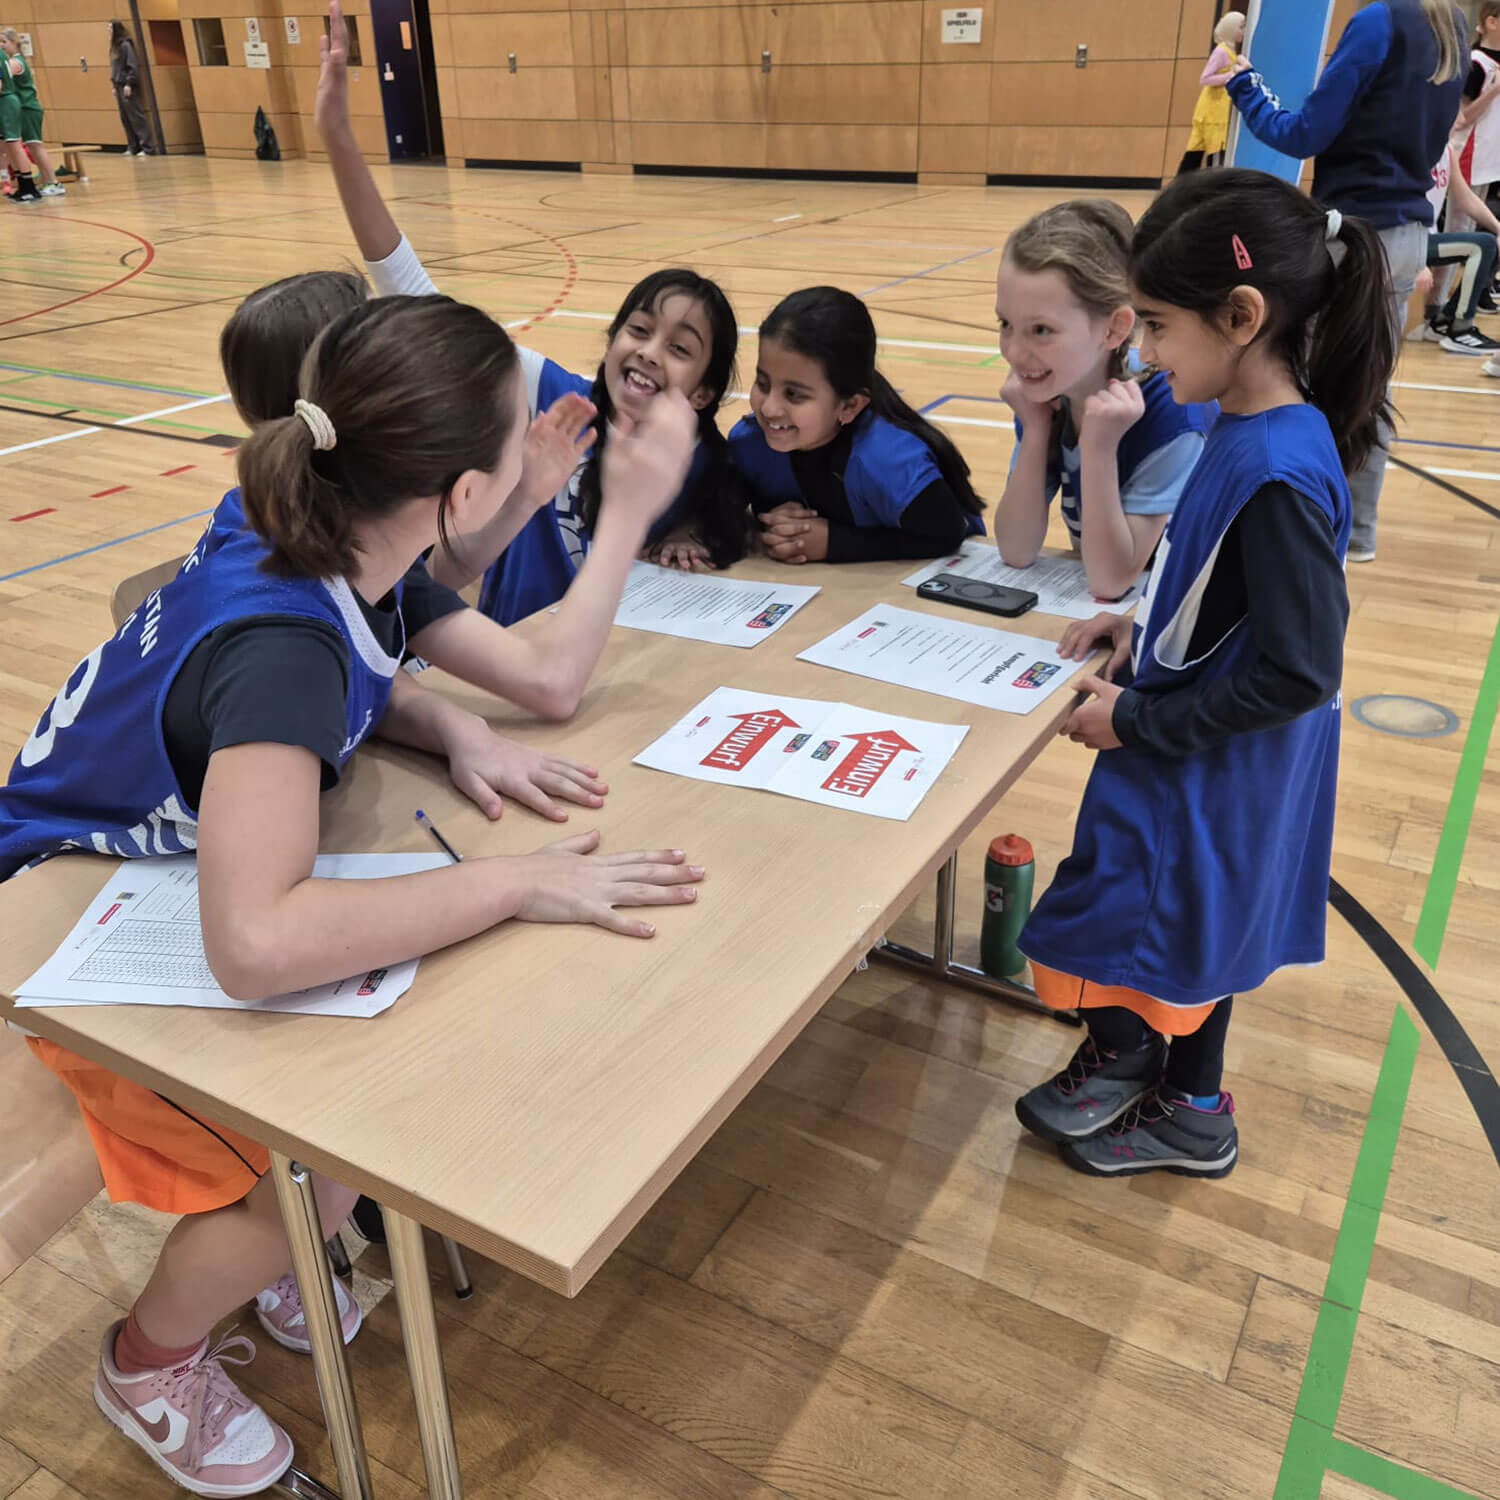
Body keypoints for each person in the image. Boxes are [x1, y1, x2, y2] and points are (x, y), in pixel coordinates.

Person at [0, 294, 705, 1494]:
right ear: (461, 494)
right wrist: (506, 885)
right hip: (58, 913)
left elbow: (388, 641)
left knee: (354, 1100)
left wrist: (438, 717)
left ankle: (266, 1264)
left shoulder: (306, 517)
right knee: (322, 1157)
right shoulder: (284, 649)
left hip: (104, 865)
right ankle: (148, 1362)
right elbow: (257, 941)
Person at [1012, 169, 1390, 1179]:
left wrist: (1139, 723)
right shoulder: (1247, 423)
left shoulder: (1277, 466)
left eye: (1161, 328)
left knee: (1162, 923)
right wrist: (1148, 634)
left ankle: (1160, 1084)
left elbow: (1299, 669)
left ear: (1242, 316)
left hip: (1216, 764)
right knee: (1187, 931)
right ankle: (1164, 1084)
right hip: (1201, 737)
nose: (1143, 351)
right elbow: (1229, 596)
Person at [312, 4, 744, 611]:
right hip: (510, 655)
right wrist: (337, 138)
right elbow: (410, 290)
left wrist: (696, 531)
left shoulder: (706, 465)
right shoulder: (549, 398)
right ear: (613, 339)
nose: (648, 352)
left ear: (703, 393)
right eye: (638, 330)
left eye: (678, 348)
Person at [1226, 0, 1466, 563]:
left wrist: (1244, 84)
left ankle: (1297, 528)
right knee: (1369, 389)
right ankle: (1357, 531)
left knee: (1298, 382)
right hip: (1407, 236)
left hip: (1353, 240)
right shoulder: (1449, 22)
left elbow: (1304, 132)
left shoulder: (1380, 20)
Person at [993, 200, 1215, 601]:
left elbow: (1111, 581)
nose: (1013, 352)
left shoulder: (1172, 410)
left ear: (1114, 329)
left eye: (1040, 330)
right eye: (1005, 324)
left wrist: (1097, 447)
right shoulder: (1047, 391)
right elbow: (1015, 549)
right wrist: (1036, 430)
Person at [729, 285, 985, 565]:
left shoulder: (887, 459)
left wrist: (833, 544)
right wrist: (764, 528)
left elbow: (947, 534)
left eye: (794, 395)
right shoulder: (749, 443)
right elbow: (720, 513)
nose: (768, 408)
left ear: (849, 406)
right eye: (763, 384)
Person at [1409, 134, 1500, 352]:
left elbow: (1464, 197)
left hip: (1427, 238)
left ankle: (1444, 321)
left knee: (1491, 242)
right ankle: (1461, 330)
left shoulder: (1445, 151)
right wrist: (1417, 262)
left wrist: (1499, 228)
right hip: (1405, 239)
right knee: (1483, 245)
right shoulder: (1410, 148)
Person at [1177, 10, 1246, 175]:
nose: (1243, 31)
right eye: (1241, 27)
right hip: (1211, 113)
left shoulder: (1232, 51)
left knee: (1198, 156)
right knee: (1211, 158)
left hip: (1220, 113)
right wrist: (1232, 75)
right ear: (1231, 28)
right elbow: (1205, 79)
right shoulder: (1221, 51)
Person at [0, 30, 59, 195]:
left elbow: (4, 76)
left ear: (15, 43)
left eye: (4, 41)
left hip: (27, 108)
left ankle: (53, 182)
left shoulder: (15, 62)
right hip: (21, 108)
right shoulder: (12, 61)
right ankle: (45, 181)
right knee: (31, 147)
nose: (2, 45)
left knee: (35, 146)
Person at [108, 20, 154, 157]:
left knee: (136, 117)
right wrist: (114, 85)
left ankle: (147, 148)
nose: (108, 31)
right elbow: (115, 69)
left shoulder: (125, 45)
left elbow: (132, 66)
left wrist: (129, 83)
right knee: (125, 118)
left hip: (126, 85)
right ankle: (133, 147)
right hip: (118, 85)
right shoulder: (114, 48)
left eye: (110, 28)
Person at [0, 35, 36, 201]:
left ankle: (29, 188)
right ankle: (22, 186)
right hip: (5, 101)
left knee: (14, 144)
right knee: (8, 146)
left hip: (6, 101)